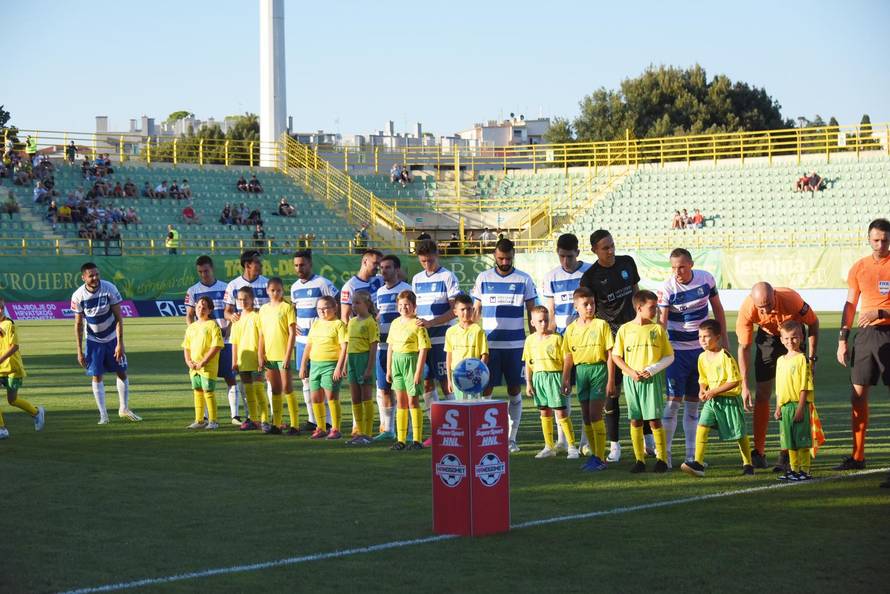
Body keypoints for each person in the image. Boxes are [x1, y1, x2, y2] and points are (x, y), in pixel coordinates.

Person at [580, 229, 652, 462]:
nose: (611, 251)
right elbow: (588, 308)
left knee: (643, 387)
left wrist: (643, 320)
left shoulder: (627, 262)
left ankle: (649, 442)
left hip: (635, 333)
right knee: (612, 391)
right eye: (605, 248)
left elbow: (635, 293)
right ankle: (615, 446)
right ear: (594, 251)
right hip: (611, 338)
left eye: (612, 245)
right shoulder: (590, 277)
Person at [736, 282, 819, 469]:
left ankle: (788, 453)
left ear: (774, 295)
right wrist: (744, 385)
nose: (765, 311)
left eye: (768, 305)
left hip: (793, 336)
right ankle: (759, 451)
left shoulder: (791, 299)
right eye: (761, 307)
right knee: (762, 394)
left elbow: (813, 323)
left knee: (796, 395)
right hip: (767, 339)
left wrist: (812, 358)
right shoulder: (747, 309)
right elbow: (744, 347)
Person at [657, 247, 728, 467]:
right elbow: (662, 323)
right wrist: (662, 352)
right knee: (672, 404)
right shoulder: (667, 288)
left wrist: (723, 340)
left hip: (701, 352)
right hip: (676, 353)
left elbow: (718, 309)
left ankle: (692, 457)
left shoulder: (706, 279)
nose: (677, 272)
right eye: (673, 268)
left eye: (681, 267)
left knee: (694, 404)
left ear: (691, 265)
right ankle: (665, 457)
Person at [835, 217, 890, 477]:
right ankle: (858, 457)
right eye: (876, 239)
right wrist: (842, 339)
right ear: (868, 239)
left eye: (885, 240)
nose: (880, 244)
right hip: (865, 337)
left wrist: (881, 311)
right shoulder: (859, 268)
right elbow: (850, 305)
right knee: (857, 397)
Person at [473, 238, 536, 453]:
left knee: (514, 389)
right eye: (501, 258)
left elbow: (532, 313)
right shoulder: (483, 278)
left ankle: (511, 439)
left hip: (516, 344)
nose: (505, 262)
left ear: (513, 256)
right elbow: (476, 311)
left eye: (508, 258)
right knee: (486, 388)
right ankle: (485, 435)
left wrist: (534, 341)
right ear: (494, 255)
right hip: (489, 345)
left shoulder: (524, 279)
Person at [680, 319, 754, 478]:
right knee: (702, 426)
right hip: (712, 401)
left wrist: (714, 391)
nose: (702, 340)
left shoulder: (725, 356)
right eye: (700, 337)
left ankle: (748, 463)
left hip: (729, 401)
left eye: (706, 336)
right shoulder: (701, 357)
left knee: (739, 433)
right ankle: (698, 464)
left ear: (718, 337)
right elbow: (703, 378)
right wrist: (702, 390)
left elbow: (735, 380)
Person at [611, 290, 674, 473]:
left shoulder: (657, 330)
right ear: (639, 307)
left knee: (654, 420)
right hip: (632, 381)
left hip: (651, 381)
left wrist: (651, 370)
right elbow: (616, 356)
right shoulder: (625, 329)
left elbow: (669, 357)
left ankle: (662, 459)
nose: (656, 311)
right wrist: (630, 372)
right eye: (652, 307)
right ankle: (640, 460)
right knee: (635, 420)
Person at [542, 233, 594, 453]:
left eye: (570, 256)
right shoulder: (551, 276)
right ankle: (563, 439)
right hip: (562, 340)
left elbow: (593, 306)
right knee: (562, 391)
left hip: (585, 341)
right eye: (562, 256)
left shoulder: (589, 272)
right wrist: (550, 338)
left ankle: (586, 440)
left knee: (585, 392)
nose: (565, 261)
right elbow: (551, 311)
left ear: (578, 253)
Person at [71, 262, 141, 424]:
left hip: (112, 338)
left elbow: (119, 318)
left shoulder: (109, 288)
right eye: (91, 275)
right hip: (93, 341)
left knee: (121, 371)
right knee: (96, 375)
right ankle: (103, 415)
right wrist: (79, 351)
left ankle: (124, 408)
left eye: (97, 274)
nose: (95, 278)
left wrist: (120, 344)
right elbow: (78, 325)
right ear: (83, 278)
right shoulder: (78, 296)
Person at [412, 239, 460, 446]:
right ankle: (437, 431)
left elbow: (454, 310)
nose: (427, 265)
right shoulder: (416, 279)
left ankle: (456, 430)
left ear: (437, 254)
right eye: (423, 261)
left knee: (446, 382)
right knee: (426, 383)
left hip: (442, 339)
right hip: (422, 341)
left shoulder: (448, 276)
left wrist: (432, 323)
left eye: (430, 260)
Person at [562, 287, 613, 470]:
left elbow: (609, 354)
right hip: (581, 372)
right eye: (586, 304)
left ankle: (600, 457)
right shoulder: (570, 330)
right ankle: (595, 456)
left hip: (598, 370)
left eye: (592, 303)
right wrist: (566, 378)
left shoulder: (601, 325)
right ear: (576, 306)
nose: (590, 307)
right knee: (586, 417)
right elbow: (568, 355)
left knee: (594, 415)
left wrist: (611, 380)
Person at [290, 249, 338, 433]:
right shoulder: (294, 288)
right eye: (296, 265)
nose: (299, 268)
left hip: (322, 342)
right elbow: (294, 310)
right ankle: (313, 419)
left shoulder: (323, 283)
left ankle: (327, 421)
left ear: (310, 264)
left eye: (302, 264)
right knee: (306, 381)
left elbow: (337, 305)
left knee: (324, 382)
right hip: (302, 341)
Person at [524, 306, 578, 459]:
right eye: (540, 321)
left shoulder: (557, 338)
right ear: (532, 322)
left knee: (561, 412)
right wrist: (529, 382)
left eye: (546, 320)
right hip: (539, 379)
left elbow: (567, 359)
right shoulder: (529, 340)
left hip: (554, 377)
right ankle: (549, 446)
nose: (543, 324)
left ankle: (572, 446)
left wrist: (565, 379)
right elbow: (528, 362)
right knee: (544, 412)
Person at [372, 254, 412, 441]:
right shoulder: (379, 292)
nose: (384, 270)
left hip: (402, 349)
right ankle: (388, 430)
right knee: (384, 389)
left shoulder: (407, 289)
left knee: (403, 391)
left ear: (397, 269)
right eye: (382, 268)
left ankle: (409, 431)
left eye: (388, 267)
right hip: (382, 347)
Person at [386, 290, 430, 450]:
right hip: (396, 363)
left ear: (414, 306)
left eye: (407, 305)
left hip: (411, 362)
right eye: (401, 305)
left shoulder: (419, 324)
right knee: (401, 402)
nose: (404, 308)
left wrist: (418, 372)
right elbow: (390, 346)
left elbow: (424, 350)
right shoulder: (395, 323)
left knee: (413, 401)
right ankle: (401, 440)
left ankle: (417, 440)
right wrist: (389, 369)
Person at [300, 296, 348, 440]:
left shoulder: (338, 324)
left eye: (326, 307)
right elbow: (309, 346)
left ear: (335, 308)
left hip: (331, 365)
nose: (322, 311)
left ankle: (335, 429)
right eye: (319, 308)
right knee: (315, 398)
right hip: (315, 365)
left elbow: (344, 346)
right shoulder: (316, 324)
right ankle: (320, 427)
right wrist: (303, 364)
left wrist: (339, 367)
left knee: (331, 397)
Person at [774, 320, 816, 481]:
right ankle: (793, 470)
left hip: (799, 405)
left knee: (802, 440)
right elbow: (779, 387)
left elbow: (805, 386)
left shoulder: (802, 359)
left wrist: (800, 408)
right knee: (789, 441)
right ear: (781, 339)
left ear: (801, 338)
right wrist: (778, 407)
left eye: (794, 338)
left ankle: (805, 471)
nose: (790, 341)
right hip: (785, 407)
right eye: (786, 338)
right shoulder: (780, 360)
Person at [0, 296, 46, 440]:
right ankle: (2, 429)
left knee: (12, 400)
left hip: (13, 369)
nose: (0, 310)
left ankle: (36, 413)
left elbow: (14, 347)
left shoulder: (9, 324)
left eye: (1, 307)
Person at [257, 277, 297, 435]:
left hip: (283, 355)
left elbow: (293, 333)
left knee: (287, 388)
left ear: (283, 291)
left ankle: (295, 425)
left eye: (279, 290)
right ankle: (277, 424)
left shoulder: (286, 308)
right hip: (269, 356)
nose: (275, 293)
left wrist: (288, 356)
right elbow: (261, 334)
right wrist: (260, 354)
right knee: (275, 389)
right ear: (267, 290)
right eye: (272, 290)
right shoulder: (263, 309)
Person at [181, 296, 224, 430]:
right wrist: (188, 361)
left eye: (204, 307)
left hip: (207, 367)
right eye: (199, 307)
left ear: (210, 310)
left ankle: (213, 421)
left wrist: (204, 361)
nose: (201, 309)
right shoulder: (191, 327)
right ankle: (199, 420)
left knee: (208, 391)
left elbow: (216, 346)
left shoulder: (212, 325)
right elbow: (186, 346)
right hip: (194, 367)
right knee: (197, 391)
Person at [230, 287, 267, 430]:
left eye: (245, 298)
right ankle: (254, 419)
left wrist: (261, 356)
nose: (243, 301)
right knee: (248, 391)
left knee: (258, 389)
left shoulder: (257, 316)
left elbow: (262, 337)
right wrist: (234, 361)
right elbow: (235, 342)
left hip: (256, 359)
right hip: (242, 360)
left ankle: (264, 420)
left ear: (252, 299)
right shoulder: (237, 320)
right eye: (240, 299)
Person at [345, 291, 379, 444]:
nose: (354, 306)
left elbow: (373, 347)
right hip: (352, 360)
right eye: (353, 303)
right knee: (355, 398)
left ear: (367, 304)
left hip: (363, 359)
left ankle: (368, 433)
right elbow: (348, 345)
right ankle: (359, 432)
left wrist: (369, 368)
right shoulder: (351, 322)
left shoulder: (370, 322)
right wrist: (345, 364)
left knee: (366, 397)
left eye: (357, 303)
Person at [444, 293, 489, 400]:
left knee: (474, 406)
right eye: (463, 309)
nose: (466, 312)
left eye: (469, 309)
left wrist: (478, 374)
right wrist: (449, 380)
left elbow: (485, 355)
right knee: (461, 407)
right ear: (455, 312)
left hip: (473, 377)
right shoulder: (450, 331)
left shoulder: (478, 330)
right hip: (457, 375)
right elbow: (449, 356)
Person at [341, 249, 384, 322]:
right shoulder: (350, 286)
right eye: (375, 263)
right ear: (365, 262)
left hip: (378, 329)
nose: (378, 267)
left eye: (379, 264)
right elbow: (345, 316)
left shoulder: (380, 279)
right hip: (360, 330)